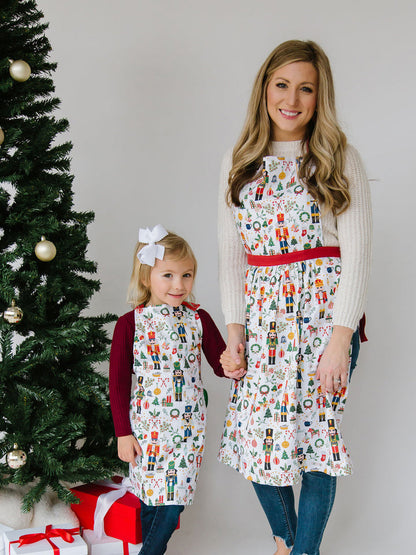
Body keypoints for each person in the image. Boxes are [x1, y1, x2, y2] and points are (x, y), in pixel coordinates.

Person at [217, 40, 372, 555]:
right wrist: (234, 337)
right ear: (265, 89)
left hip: (325, 328)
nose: (292, 98)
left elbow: (356, 257)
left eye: (306, 88)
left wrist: (339, 340)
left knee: (315, 448)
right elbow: (232, 258)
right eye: (282, 84)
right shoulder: (238, 162)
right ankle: (286, 539)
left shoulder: (338, 158)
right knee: (259, 444)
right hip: (262, 330)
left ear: (319, 96)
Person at [109, 224, 245, 555]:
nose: (179, 284)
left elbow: (219, 363)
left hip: (187, 431)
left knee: (174, 502)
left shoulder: (199, 318)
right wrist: (123, 433)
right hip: (146, 431)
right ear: (146, 278)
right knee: (151, 501)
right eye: (168, 275)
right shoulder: (131, 324)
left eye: (186, 275)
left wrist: (233, 362)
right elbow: (117, 383)